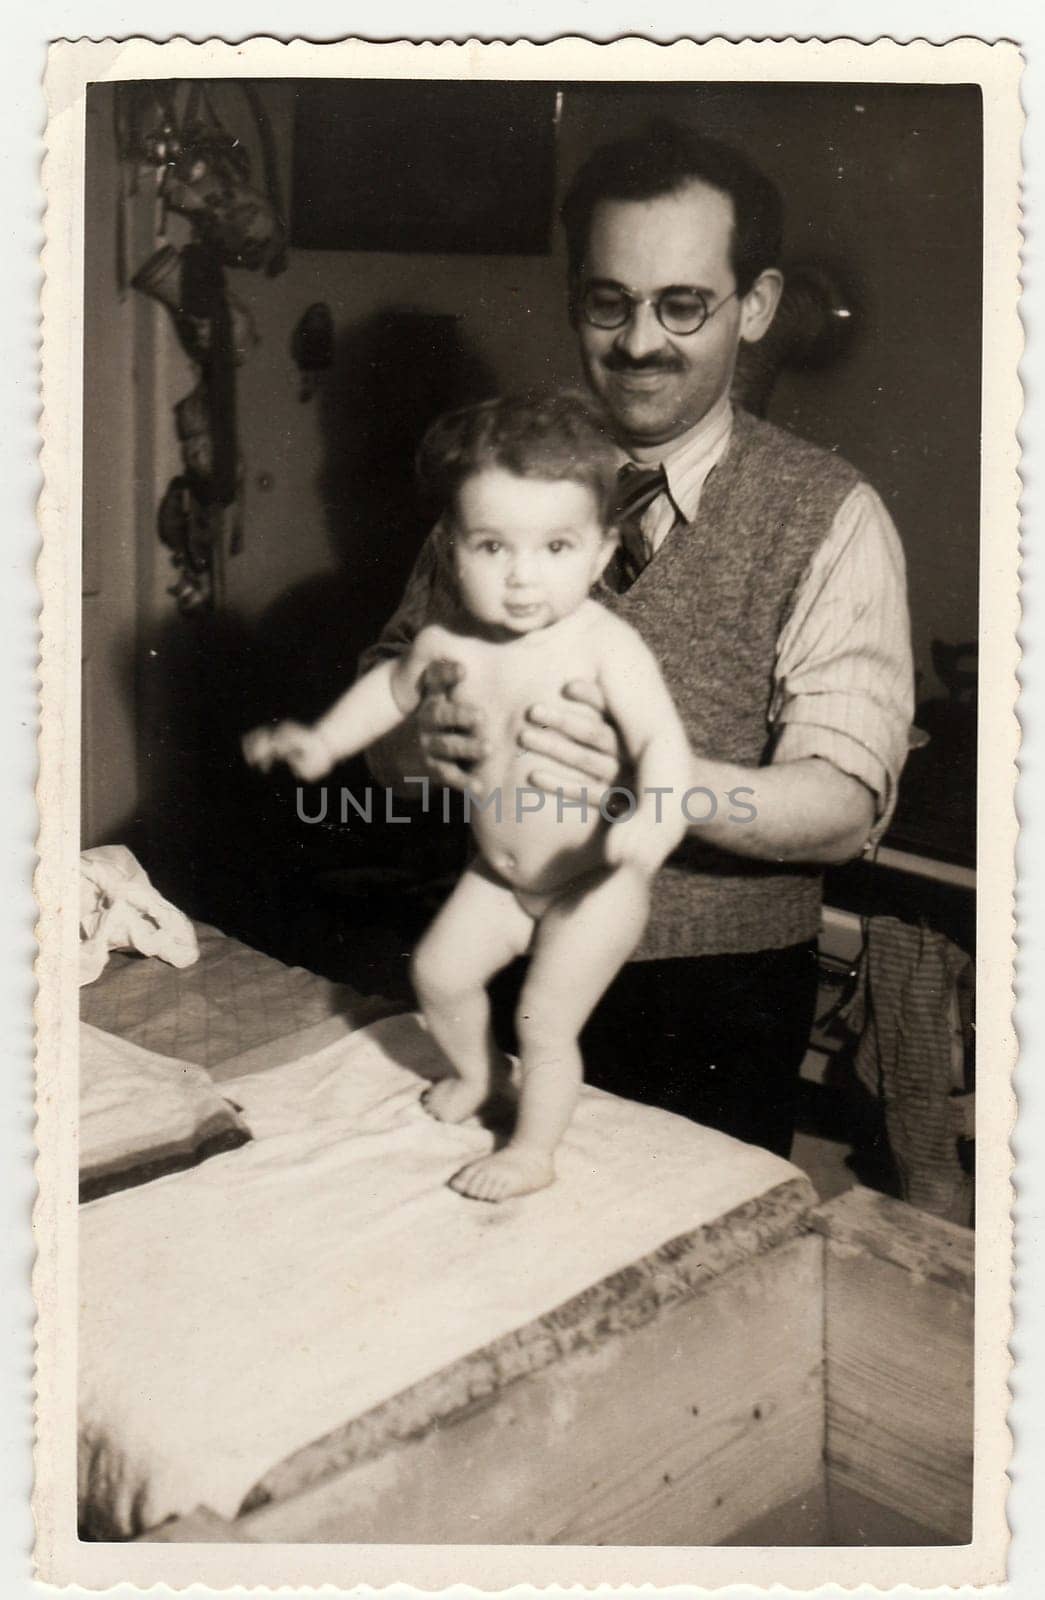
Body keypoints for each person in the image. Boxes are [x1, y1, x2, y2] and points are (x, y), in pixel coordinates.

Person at [361, 119, 915, 1160]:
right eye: (608, 302)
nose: (639, 342)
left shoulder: (831, 515)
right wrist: (415, 741)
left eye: (683, 305)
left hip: (712, 1007)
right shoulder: (504, 474)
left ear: (753, 307)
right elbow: (390, 708)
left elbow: (841, 803)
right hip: (501, 952)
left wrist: (650, 781)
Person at [244, 392, 691, 1201]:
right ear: (452, 551)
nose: (523, 576)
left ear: (599, 553)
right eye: (493, 546)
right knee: (441, 977)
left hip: (594, 884)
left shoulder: (603, 643)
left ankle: (533, 1150)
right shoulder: (445, 640)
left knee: (544, 1023)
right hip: (499, 877)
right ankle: (478, 1077)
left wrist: (653, 823)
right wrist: (322, 742)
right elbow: (389, 691)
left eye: (555, 546)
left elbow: (664, 743)